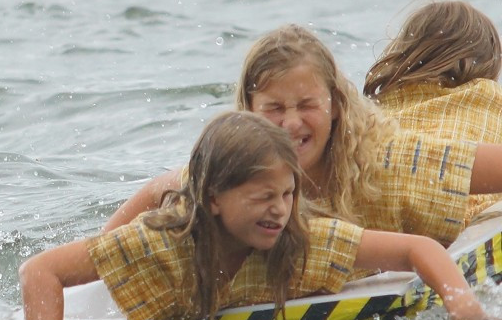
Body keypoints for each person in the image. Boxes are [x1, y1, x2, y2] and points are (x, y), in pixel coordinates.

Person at [21, 112, 487, 320]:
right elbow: (39, 271)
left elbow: (417, 248)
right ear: (213, 200)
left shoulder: (303, 240)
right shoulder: (159, 241)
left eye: (287, 195)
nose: (280, 210)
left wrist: (461, 305)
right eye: (263, 197)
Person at [104, 25, 502, 248]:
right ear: (249, 113)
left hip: (456, 221)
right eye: (274, 109)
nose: (291, 124)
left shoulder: (386, 160)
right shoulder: (231, 171)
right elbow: (161, 190)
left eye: (307, 105)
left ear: (336, 105)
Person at [364, 0, 502, 222]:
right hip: (462, 214)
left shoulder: (381, 107)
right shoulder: (487, 96)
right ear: (488, 62)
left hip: (383, 212)